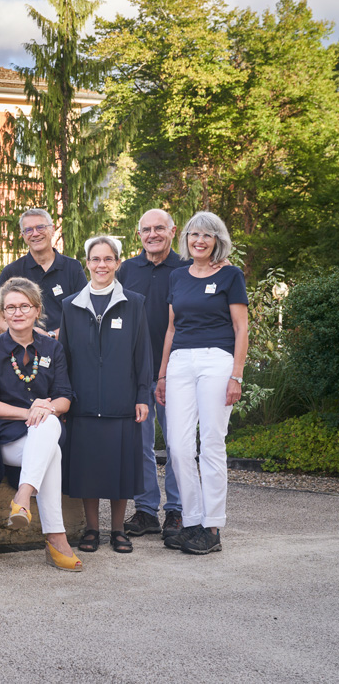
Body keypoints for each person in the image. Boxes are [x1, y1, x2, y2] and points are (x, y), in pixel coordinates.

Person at [156, 211, 248, 555]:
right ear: (187, 239)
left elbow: (241, 328)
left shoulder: (230, 275)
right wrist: (163, 374)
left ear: (217, 241)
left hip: (217, 360)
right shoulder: (178, 277)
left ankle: (212, 527)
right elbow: (171, 328)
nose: (199, 241)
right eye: (195, 235)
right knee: (178, 448)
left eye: (207, 236)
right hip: (180, 362)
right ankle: (191, 521)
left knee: (210, 443)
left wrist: (236, 375)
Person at [0, 277, 80, 571]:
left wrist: (46, 408)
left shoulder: (52, 348)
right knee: (49, 432)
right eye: (10, 307)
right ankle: (56, 540)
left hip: (40, 436)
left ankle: (23, 498)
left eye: (24, 306)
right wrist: (30, 412)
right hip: (5, 440)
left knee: (48, 428)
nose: (17, 312)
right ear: (3, 313)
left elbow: (65, 397)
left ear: (37, 310)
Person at [59, 236, 151, 555]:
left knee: (119, 470)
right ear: (87, 263)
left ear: (118, 263)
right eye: (96, 259)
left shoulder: (134, 302)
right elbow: (64, 357)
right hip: (82, 402)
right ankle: (92, 529)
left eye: (108, 259)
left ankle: (118, 529)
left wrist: (143, 396)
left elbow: (143, 355)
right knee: (89, 470)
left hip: (121, 401)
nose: (102, 265)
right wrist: (65, 397)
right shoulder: (70, 305)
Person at [117, 209, 188, 540]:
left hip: (178, 370)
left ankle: (175, 510)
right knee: (140, 444)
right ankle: (146, 510)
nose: (153, 234)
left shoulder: (187, 269)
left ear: (173, 231)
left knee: (177, 443)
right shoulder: (126, 270)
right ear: (139, 234)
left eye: (160, 228)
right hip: (135, 372)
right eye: (146, 229)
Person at [0, 208, 86, 337]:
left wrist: (52, 336)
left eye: (40, 227)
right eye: (28, 230)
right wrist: (28, 334)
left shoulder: (73, 268)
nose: (35, 234)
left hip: (65, 350)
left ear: (52, 229)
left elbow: (85, 312)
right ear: (23, 235)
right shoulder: (12, 272)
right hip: (24, 351)